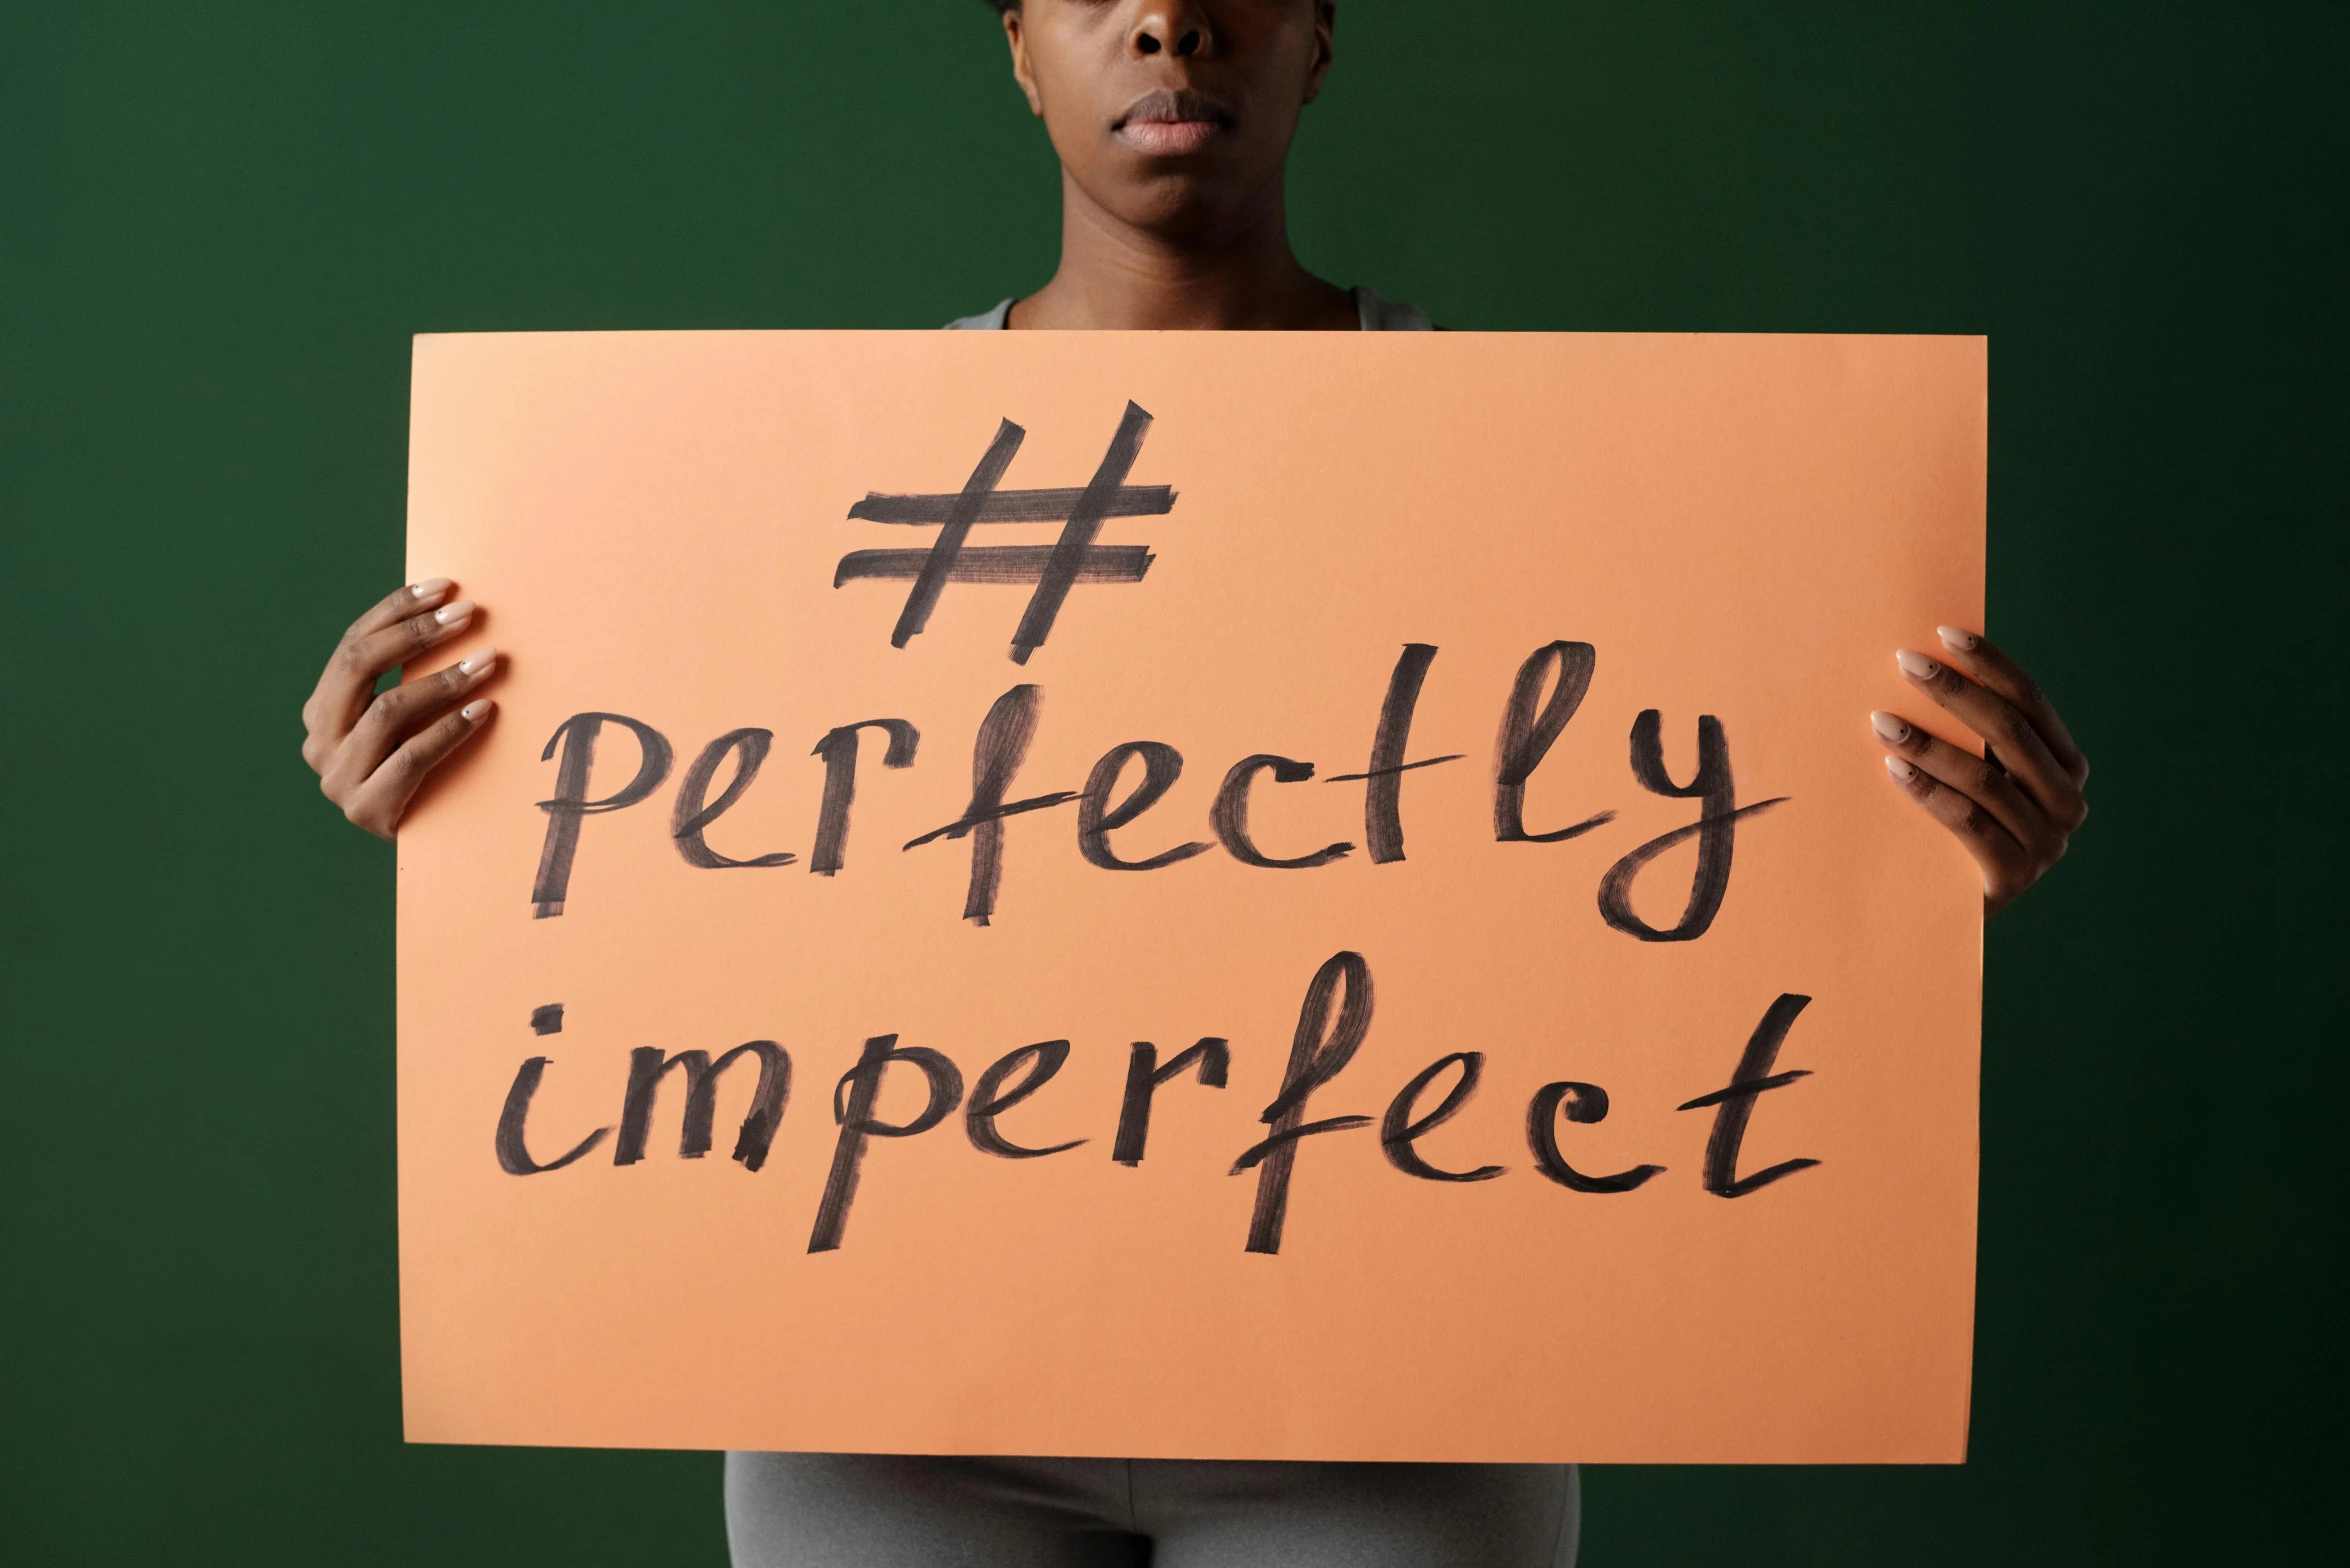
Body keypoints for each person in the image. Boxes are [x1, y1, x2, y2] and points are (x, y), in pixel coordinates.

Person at [298, 3, 2093, 1564]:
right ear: (1014, 45)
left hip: (1400, 1417)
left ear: (1320, 36)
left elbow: (1688, 860)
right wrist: (448, 806)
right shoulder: (779, 494)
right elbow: (663, 870)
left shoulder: (1560, 479)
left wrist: (1921, 849)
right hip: (888, 1412)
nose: (1170, 22)